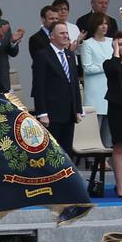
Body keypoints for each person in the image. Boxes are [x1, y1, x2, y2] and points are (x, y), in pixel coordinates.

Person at [31, 22, 82, 154]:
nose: (66, 36)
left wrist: (77, 109)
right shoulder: (42, 55)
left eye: (66, 33)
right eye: (62, 33)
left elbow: (74, 84)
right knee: (53, 151)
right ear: (51, 36)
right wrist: (42, 113)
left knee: (66, 151)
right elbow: (39, 86)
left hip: (69, 113)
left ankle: (66, 175)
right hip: (52, 113)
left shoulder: (70, 55)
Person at [104, 33, 122, 198]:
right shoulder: (110, 63)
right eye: (119, 44)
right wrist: (115, 52)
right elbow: (114, 71)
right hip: (117, 110)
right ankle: (119, 185)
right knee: (120, 146)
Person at [78, 13, 115, 145]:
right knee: (95, 126)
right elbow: (87, 68)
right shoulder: (87, 44)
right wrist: (107, 65)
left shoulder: (112, 42)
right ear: (94, 25)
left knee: (109, 127)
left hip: (110, 87)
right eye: (101, 23)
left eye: (106, 23)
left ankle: (106, 158)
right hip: (95, 91)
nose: (104, 26)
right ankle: (93, 159)